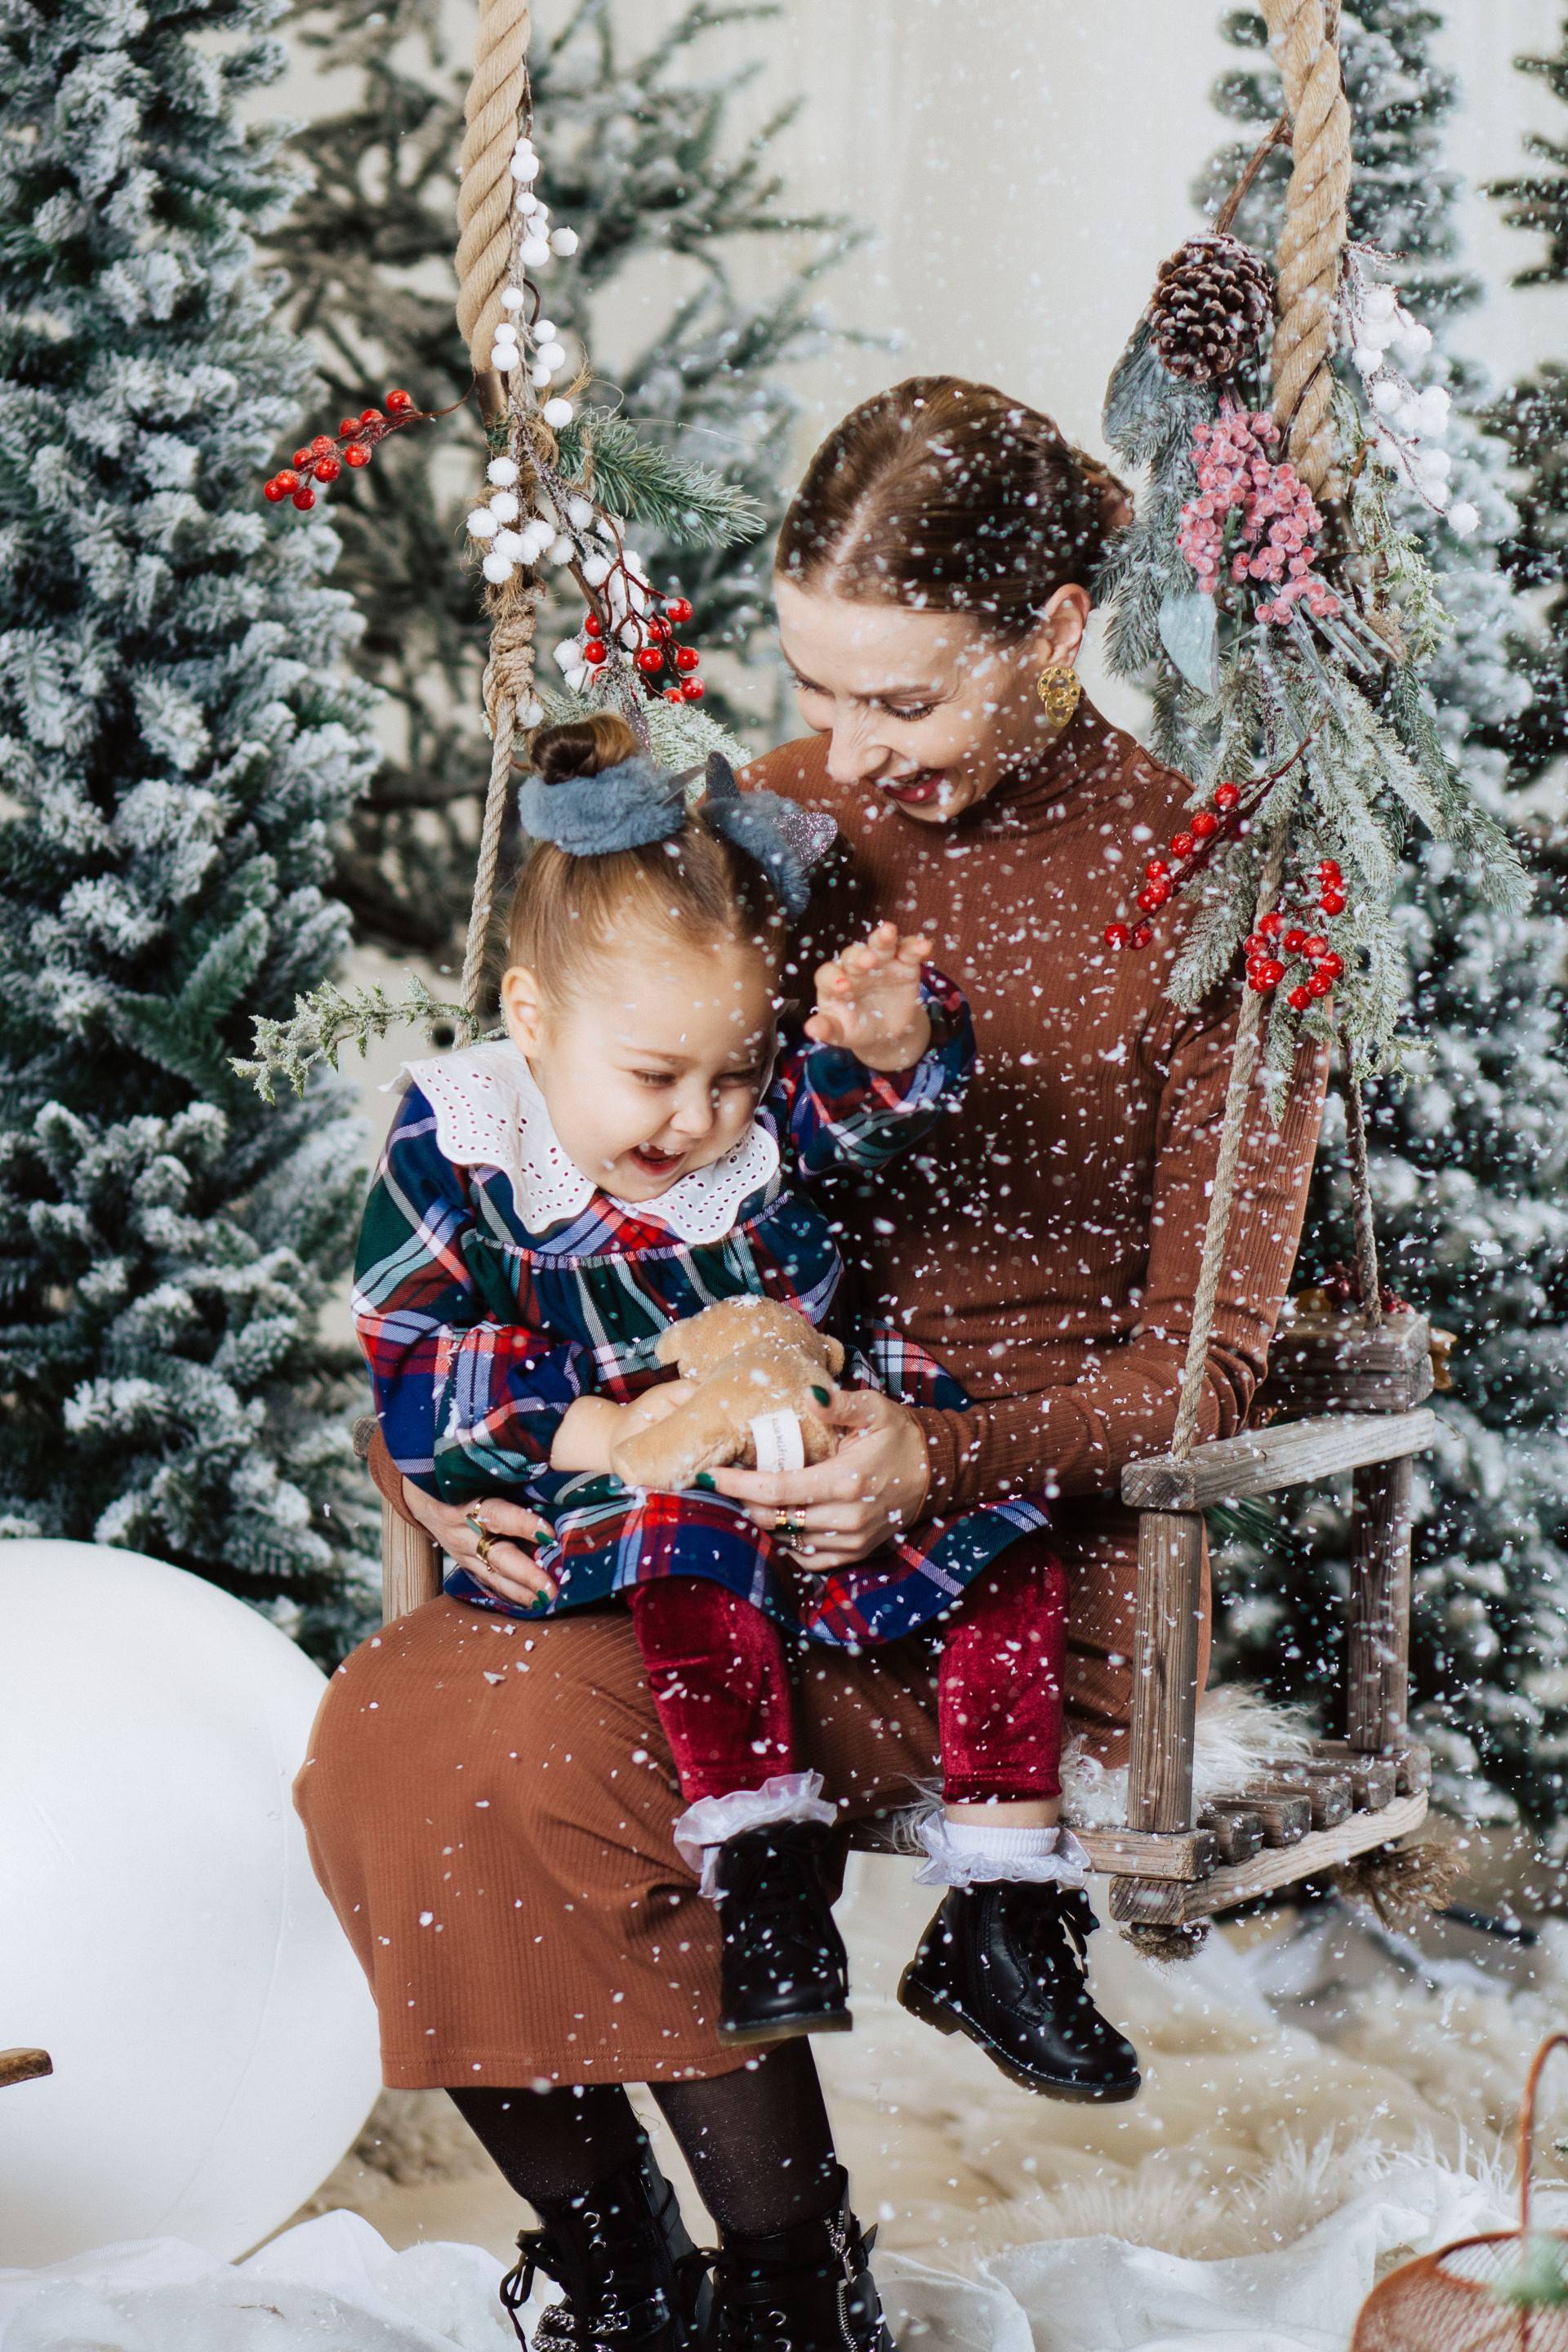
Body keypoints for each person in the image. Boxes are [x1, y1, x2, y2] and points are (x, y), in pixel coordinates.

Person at [296, 376, 1326, 2351]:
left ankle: (790, 2277)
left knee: (539, 1753)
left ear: (1052, 632)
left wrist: (933, 1456)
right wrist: (473, 1453)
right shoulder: (770, 829)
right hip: (697, 1490)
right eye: (819, 690)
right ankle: (612, 2259)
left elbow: (1216, 1365)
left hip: (998, 1560)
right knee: (393, 1741)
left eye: (907, 704)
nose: (848, 754)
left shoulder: (1215, 893)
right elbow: (563, 1133)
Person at [354, 702, 1130, 2097]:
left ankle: (1005, 1906)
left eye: (731, 1074)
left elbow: (860, 1111)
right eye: (653, 1079)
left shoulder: (751, 1117)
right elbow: (416, 1345)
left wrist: (893, 1039)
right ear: (530, 1019)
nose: (695, 1122)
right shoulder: (470, 1135)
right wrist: (616, 1436)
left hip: (806, 1433)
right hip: (637, 1475)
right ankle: (766, 1868)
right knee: (685, 1555)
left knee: (1001, 1533)